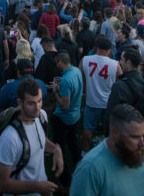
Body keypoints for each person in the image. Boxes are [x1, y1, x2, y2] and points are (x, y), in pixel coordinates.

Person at [0, 77, 64, 196]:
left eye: (40, 101)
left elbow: (40, 140)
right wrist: (37, 187)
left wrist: (56, 149)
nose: (37, 107)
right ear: (20, 102)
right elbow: (1, 184)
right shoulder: (10, 137)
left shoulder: (41, 116)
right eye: (31, 103)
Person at [69, 103, 144, 196]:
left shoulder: (140, 149)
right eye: (135, 137)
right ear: (115, 133)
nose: (142, 143)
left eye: (143, 135)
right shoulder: (90, 170)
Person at [79, 36, 121, 154]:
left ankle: (84, 153)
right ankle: (108, 153)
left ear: (97, 48)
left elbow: (79, 76)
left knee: (88, 128)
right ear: (108, 51)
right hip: (108, 102)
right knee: (109, 130)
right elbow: (121, 82)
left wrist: (84, 90)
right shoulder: (115, 64)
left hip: (91, 100)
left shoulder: (85, 60)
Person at [51, 51, 83, 188]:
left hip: (63, 118)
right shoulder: (76, 70)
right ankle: (81, 168)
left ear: (60, 62)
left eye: (56, 62)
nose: (56, 65)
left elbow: (65, 105)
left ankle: (65, 181)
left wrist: (55, 91)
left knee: (60, 148)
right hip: (75, 115)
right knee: (74, 144)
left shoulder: (65, 80)